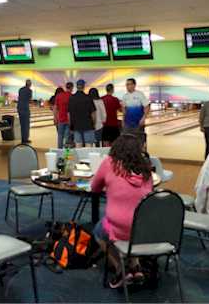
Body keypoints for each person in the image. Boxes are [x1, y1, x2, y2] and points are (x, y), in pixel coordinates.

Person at [91, 134, 153, 288]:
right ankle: (135, 265)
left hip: (118, 226)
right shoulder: (146, 169)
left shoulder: (108, 163)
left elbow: (94, 187)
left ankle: (121, 269)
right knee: (133, 224)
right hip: (143, 229)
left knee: (99, 231)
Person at [68, 79, 96, 147]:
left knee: (78, 146)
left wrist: (70, 125)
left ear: (77, 87)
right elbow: (93, 114)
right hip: (88, 125)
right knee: (88, 146)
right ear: (84, 86)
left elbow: (69, 114)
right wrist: (94, 124)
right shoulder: (88, 98)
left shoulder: (71, 98)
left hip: (76, 126)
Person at [121, 78, 149, 145]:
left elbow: (147, 106)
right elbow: (124, 109)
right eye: (126, 84)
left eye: (129, 84)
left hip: (138, 123)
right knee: (126, 141)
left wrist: (143, 118)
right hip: (127, 123)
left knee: (138, 141)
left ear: (134, 85)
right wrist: (123, 120)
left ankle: (139, 154)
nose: (127, 86)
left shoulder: (140, 94)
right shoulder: (125, 96)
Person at [54, 82, 73, 149]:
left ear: (66, 87)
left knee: (60, 136)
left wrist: (55, 118)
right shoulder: (72, 96)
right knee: (67, 137)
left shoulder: (59, 95)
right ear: (72, 88)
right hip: (69, 120)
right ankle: (66, 153)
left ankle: (59, 151)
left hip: (60, 119)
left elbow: (55, 108)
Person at [17, 79, 32, 144]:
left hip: (19, 108)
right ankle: (25, 139)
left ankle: (23, 138)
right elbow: (29, 100)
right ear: (30, 84)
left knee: (22, 124)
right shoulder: (29, 90)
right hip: (25, 108)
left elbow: (19, 98)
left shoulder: (20, 89)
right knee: (26, 124)